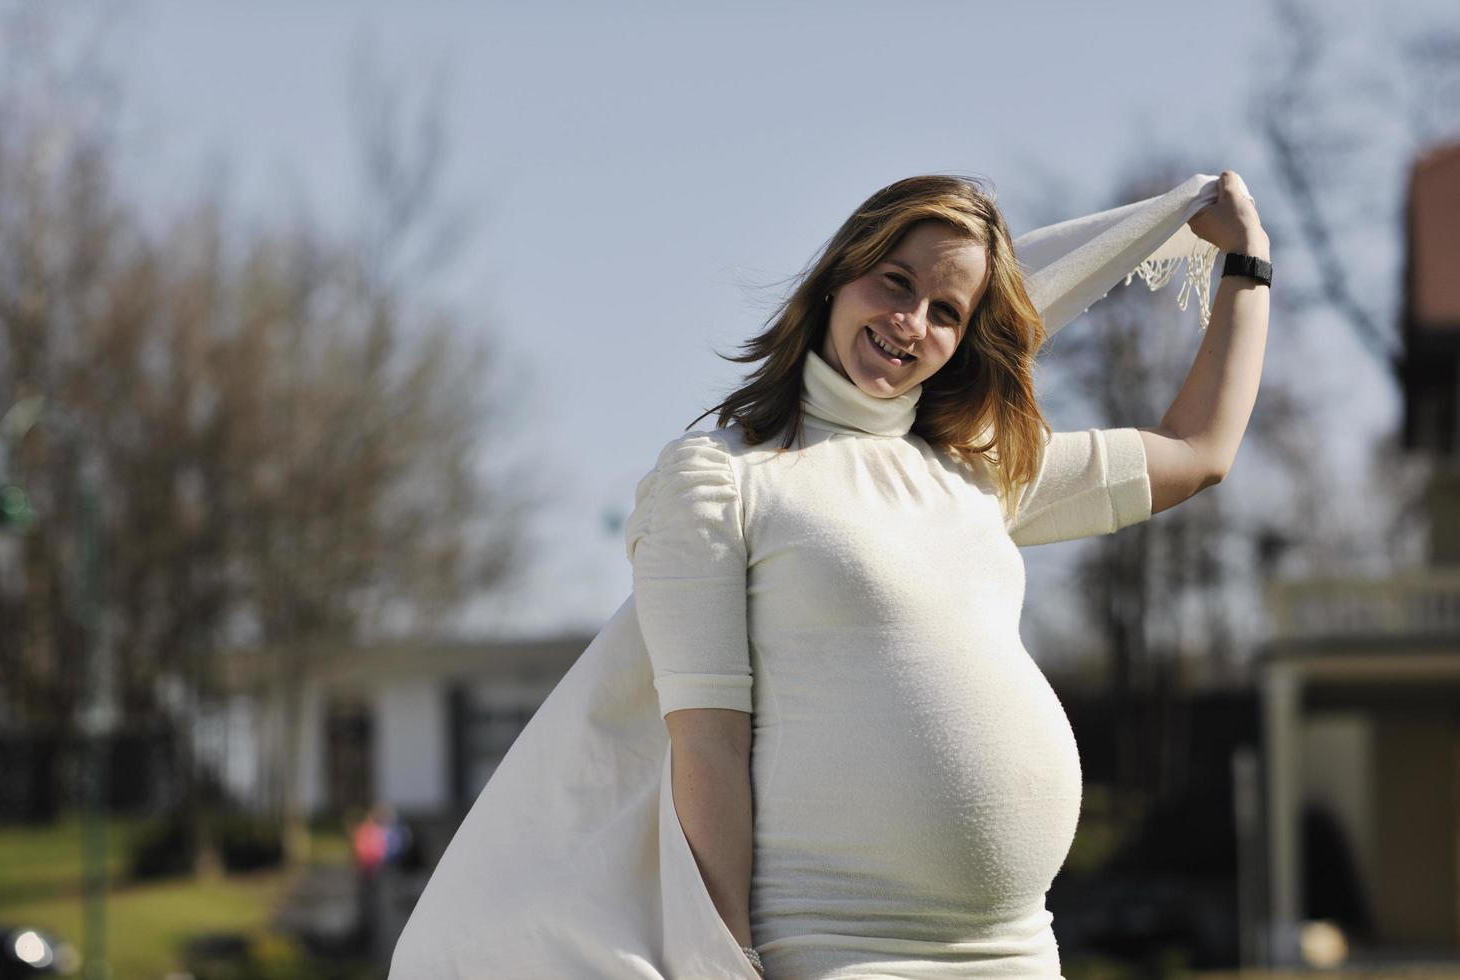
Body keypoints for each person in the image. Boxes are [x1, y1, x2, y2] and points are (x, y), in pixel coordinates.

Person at [387, 170, 1269, 979]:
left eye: (946, 311)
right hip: (838, 946)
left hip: (1015, 951)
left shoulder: (984, 469)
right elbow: (708, 746)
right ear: (838, 278)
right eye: (896, 282)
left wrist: (1248, 270)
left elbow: (1200, 451)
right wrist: (725, 961)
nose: (910, 321)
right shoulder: (721, 480)